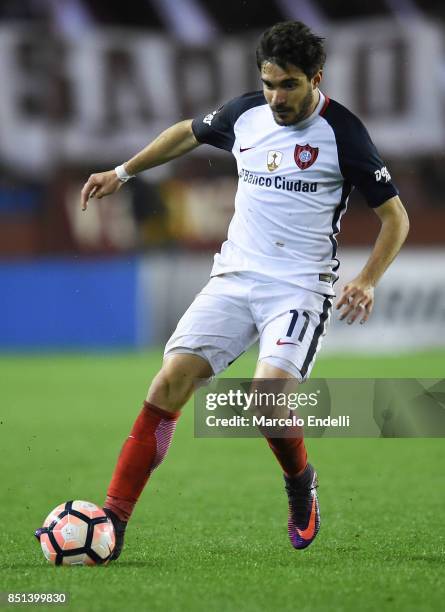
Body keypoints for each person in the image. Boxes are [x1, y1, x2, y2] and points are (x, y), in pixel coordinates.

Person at [62, 21, 411, 559]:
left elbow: (396, 218)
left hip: (298, 288)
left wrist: (366, 279)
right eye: (269, 83)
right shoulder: (246, 113)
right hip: (234, 277)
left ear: (316, 78)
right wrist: (123, 172)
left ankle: (301, 484)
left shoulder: (344, 133)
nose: (276, 97)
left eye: (289, 84)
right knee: (168, 383)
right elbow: (187, 131)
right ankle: (114, 518)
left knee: (265, 401)